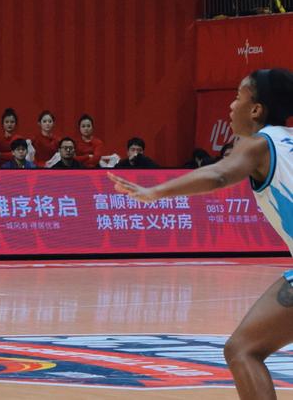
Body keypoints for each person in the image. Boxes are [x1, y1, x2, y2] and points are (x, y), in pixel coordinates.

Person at [109, 68, 293, 400]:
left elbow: (220, 174)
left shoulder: (258, 145)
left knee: (243, 350)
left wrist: (156, 192)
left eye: (238, 97)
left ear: (256, 110)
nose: (231, 106)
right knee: (242, 348)